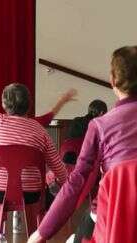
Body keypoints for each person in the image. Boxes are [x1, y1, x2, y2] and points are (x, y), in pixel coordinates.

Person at [28, 46, 137, 243]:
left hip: (113, 220)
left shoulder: (101, 126)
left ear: (112, 80)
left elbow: (76, 182)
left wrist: (42, 231)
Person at [0, 54, 68, 239]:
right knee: (50, 197)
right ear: (29, 105)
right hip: (32, 195)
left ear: (4, 104)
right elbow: (58, 168)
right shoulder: (39, 130)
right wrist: (66, 188)